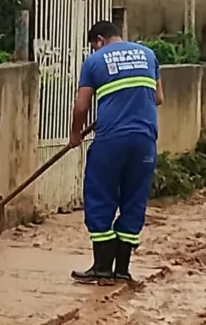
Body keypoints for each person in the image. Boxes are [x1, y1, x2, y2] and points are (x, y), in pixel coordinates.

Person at [68, 21, 164, 285]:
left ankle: (101, 270)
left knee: (100, 198)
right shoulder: (148, 54)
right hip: (145, 142)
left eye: (93, 45)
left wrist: (75, 134)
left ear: (99, 40)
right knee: (134, 202)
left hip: (111, 142)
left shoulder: (95, 61)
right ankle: (121, 270)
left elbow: (81, 105)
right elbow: (158, 98)